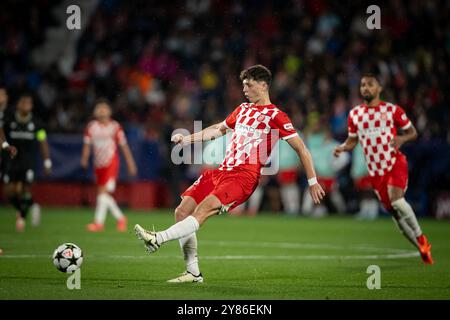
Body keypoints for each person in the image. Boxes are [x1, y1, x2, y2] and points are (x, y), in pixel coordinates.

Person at [134, 64, 325, 283]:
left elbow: (301, 148)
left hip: (243, 176)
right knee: (181, 211)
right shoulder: (242, 109)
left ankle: (158, 238)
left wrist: (312, 181)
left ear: (263, 86)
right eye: (243, 85)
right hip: (221, 171)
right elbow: (218, 129)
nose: (244, 90)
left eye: (249, 85)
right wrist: (187, 139)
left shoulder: (276, 116)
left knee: (204, 209)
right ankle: (193, 273)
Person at [334, 73, 434, 264]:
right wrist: (342, 147)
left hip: (394, 162)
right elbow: (353, 140)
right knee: (396, 216)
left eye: (370, 84)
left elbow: (413, 132)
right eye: (363, 85)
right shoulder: (355, 114)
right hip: (375, 172)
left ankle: (422, 238)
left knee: (397, 201)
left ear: (379, 88)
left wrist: (401, 139)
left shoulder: (392, 110)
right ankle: (421, 248)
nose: (365, 88)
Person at [81, 99, 137, 232]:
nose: (101, 111)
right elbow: (87, 144)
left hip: (111, 163)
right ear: (95, 112)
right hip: (98, 165)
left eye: (104, 108)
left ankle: (98, 223)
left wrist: (130, 163)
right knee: (104, 195)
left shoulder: (115, 126)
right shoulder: (91, 127)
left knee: (102, 193)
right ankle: (121, 218)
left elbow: (124, 146)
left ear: (109, 111)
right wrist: (84, 158)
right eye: (99, 108)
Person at [1, 93, 50, 232]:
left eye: (29, 103)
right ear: (18, 104)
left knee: (24, 190)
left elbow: (43, 141)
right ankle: (32, 206)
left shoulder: (37, 123)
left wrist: (47, 162)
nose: (26, 105)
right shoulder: (8, 120)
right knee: (10, 192)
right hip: (10, 161)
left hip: (28, 162)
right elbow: (1, 132)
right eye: (24, 102)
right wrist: (5, 145)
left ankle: (21, 218)